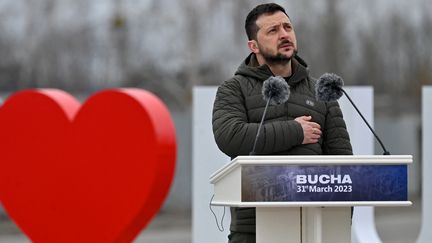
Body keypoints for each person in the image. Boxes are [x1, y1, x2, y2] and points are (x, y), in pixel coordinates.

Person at [212, 3, 353, 243]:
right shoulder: (234, 88)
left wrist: (340, 222)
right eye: (273, 30)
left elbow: (344, 167)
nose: (284, 34)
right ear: (253, 46)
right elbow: (230, 137)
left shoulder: (321, 91)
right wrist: (295, 131)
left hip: (314, 225)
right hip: (253, 229)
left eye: (288, 27)